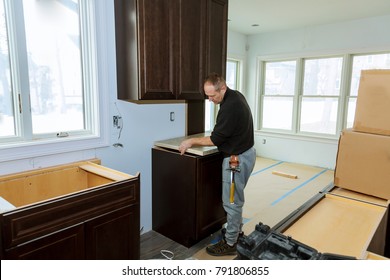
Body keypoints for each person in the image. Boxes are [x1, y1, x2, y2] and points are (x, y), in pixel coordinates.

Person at [178, 73, 256, 256]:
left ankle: (230, 244)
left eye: (213, 95)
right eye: (207, 95)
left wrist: (191, 141)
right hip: (246, 153)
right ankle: (235, 232)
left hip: (236, 160)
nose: (210, 99)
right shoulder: (236, 95)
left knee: (231, 202)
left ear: (223, 88)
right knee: (235, 199)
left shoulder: (230, 107)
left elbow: (215, 139)